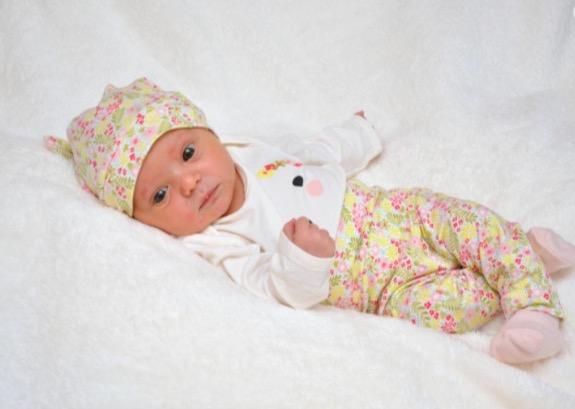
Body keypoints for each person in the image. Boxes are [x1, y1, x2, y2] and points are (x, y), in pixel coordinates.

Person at [45, 77, 575, 365]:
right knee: (441, 309)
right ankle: (518, 260)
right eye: (160, 194)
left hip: (397, 214)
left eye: (187, 153)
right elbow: (272, 289)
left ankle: (532, 303)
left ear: (207, 132)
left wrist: (358, 133)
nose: (189, 182)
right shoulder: (216, 242)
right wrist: (302, 260)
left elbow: (318, 153)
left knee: (464, 221)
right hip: (384, 288)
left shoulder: (250, 152)